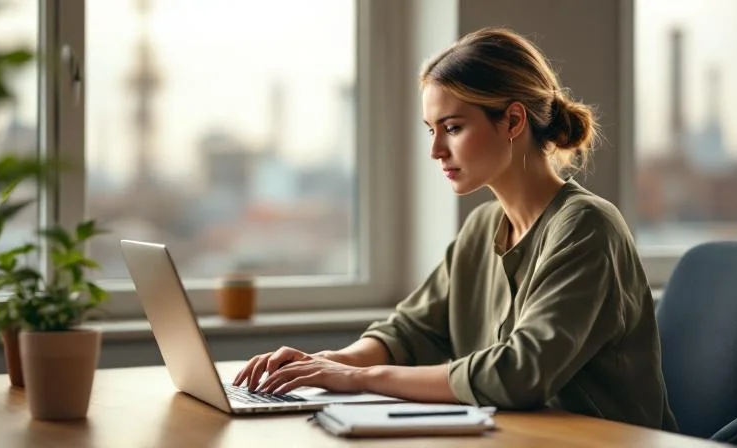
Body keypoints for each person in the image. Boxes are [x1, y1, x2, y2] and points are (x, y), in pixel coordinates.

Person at [234, 27, 677, 431]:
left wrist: (359, 378)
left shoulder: (587, 227)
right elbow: (413, 330)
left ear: (513, 121)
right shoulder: (482, 227)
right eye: (431, 129)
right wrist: (330, 362)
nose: (435, 150)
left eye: (453, 128)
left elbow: (518, 373)